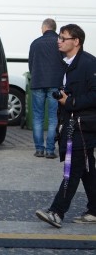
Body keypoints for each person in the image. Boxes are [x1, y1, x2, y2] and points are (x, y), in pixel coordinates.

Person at [35, 23, 96, 228]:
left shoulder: (89, 64)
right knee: (88, 170)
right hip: (71, 125)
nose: (58, 41)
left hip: (83, 126)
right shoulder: (65, 63)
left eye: (63, 38)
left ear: (76, 41)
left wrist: (70, 102)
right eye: (59, 37)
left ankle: (56, 211)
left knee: (73, 169)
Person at [29, 18, 66, 159]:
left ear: (43, 28)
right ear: (54, 28)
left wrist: (35, 76)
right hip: (55, 84)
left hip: (38, 83)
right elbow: (65, 62)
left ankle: (39, 149)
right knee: (52, 117)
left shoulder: (35, 43)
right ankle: (50, 150)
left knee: (37, 117)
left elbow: (31, 63)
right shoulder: (59, 42)